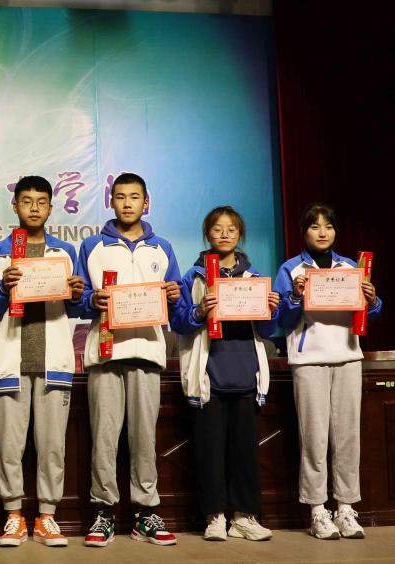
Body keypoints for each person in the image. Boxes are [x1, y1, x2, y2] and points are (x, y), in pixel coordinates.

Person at [75, 172, 182, 548]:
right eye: (120, 197)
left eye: (134, 197)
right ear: (111, 201)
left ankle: (145, 512)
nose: (127, 203)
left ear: (146, 203)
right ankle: (103, 511)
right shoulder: (92, 246)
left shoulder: (162, 248)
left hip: (148, 352)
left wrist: (174, 295)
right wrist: (91, 299)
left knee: (144, 439)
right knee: (104, 438)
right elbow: (77, 298)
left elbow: (177, 301)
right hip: (106, 353)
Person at [0, 175, 84, 547]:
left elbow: (79, 307)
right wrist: (0, 288)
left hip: (52, 360)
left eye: (41, 202)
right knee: (10, 446)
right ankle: (13, 516)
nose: (34, 208)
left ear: (51, 208)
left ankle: (46, 517)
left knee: (52, 445)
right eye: (27, 201)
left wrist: (77, 294)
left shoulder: (64, 252)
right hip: (10, 360)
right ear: (15, 206)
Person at [273, 203, 381, 540]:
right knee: (314, 437)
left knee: (348, 436)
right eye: (315, 226)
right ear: (303, 232)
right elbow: (280, 320)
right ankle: (318, 510)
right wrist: (295, 296)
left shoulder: (350, 267)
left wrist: (372, 301)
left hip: (348, 357)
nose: (322, 232)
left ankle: (346, 507)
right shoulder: (291, 269)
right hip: (309, 361)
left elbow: (366, 317)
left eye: (329, 226)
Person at [171, 206, 279, 542]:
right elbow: (179, 323)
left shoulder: (254, 278)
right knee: (209, 451)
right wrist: (199, 311)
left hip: (245, 374)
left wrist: (271, 309)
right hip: (209, 377)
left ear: (240, 234)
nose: (224, 234)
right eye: (217, 229)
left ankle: (245, 517)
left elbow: (268, 330)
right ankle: (214, 516)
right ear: (208, 234)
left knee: (245, 452)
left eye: (231, 229)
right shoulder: (194, 276)